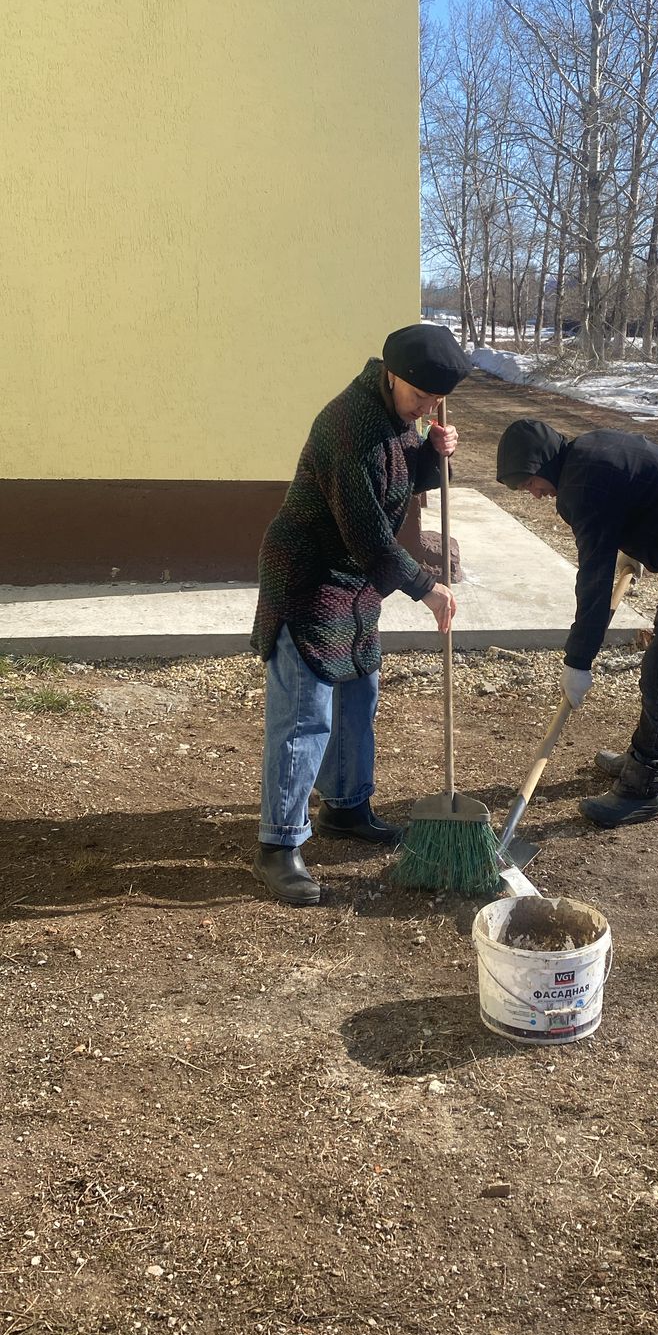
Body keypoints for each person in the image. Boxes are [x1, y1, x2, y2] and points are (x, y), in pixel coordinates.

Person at [251, 324, 471, 905]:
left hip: (353, 580)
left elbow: (396, 481)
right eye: (420, 397)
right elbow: (369, 531)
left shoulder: (397, 416)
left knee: (358, 689)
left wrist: (430, 455)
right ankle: (279, 842)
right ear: (393, 374)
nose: (427, 408)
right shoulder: (349, 428)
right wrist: (427, 587)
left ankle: (346, 807)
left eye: (436, 401)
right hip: (310, 575)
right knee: (306, 711)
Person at [496, 419, 658, 828]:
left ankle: (645, 786)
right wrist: (633, 545)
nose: (532, 493)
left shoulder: (582, 486)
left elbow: (593, 582)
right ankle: (649, 758)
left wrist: (578, 660)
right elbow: (638, 487)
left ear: (541, 461)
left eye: (528, 482)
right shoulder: (585, 455)